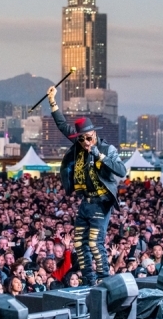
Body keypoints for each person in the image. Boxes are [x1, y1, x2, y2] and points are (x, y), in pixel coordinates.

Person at [47, 86, 127, 286]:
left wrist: (99, 156)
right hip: (86, 202)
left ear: (94, 134)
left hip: (101, 202)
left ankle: (104, 279)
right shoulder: (79, 146)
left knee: (94, 242)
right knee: (80, 244)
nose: (85, 142)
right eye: (81, 139)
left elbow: (121, 170)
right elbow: (63, 126)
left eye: (88, 138)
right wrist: (52, 102)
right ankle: (90, 280)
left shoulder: (106, 149)